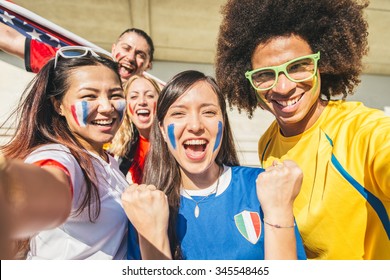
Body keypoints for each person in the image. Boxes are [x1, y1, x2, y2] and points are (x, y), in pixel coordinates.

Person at [215, 0, 390, 259]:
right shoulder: (268, 142)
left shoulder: (361, 131)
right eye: (264, 74)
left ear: (322, 64)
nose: (283, 87)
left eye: (298, 66)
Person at [121, 70, 307, 260]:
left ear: (223, 122)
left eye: (209, 112)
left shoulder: (260, 187)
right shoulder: (145, 207)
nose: (195, 125)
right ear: (161, 129)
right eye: (178, 113)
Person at [0, 46, 129, 259]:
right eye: (89, 96)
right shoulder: (62, 157)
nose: (107, 107)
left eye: (115, 95)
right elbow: (47, 186)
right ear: (58, 105)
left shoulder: (107, 160)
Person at [0, 23, 154, 83]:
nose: (130, 57)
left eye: (140, 55)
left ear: (148, 65)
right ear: (113, 49)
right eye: (126, 48)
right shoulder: (79, 66)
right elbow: (11, 39)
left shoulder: (149, 104)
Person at [109, 75, 161, 183]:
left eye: (150, 96)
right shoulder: (122, 146)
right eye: (133, 97)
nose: (142, 101)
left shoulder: (172, 143)